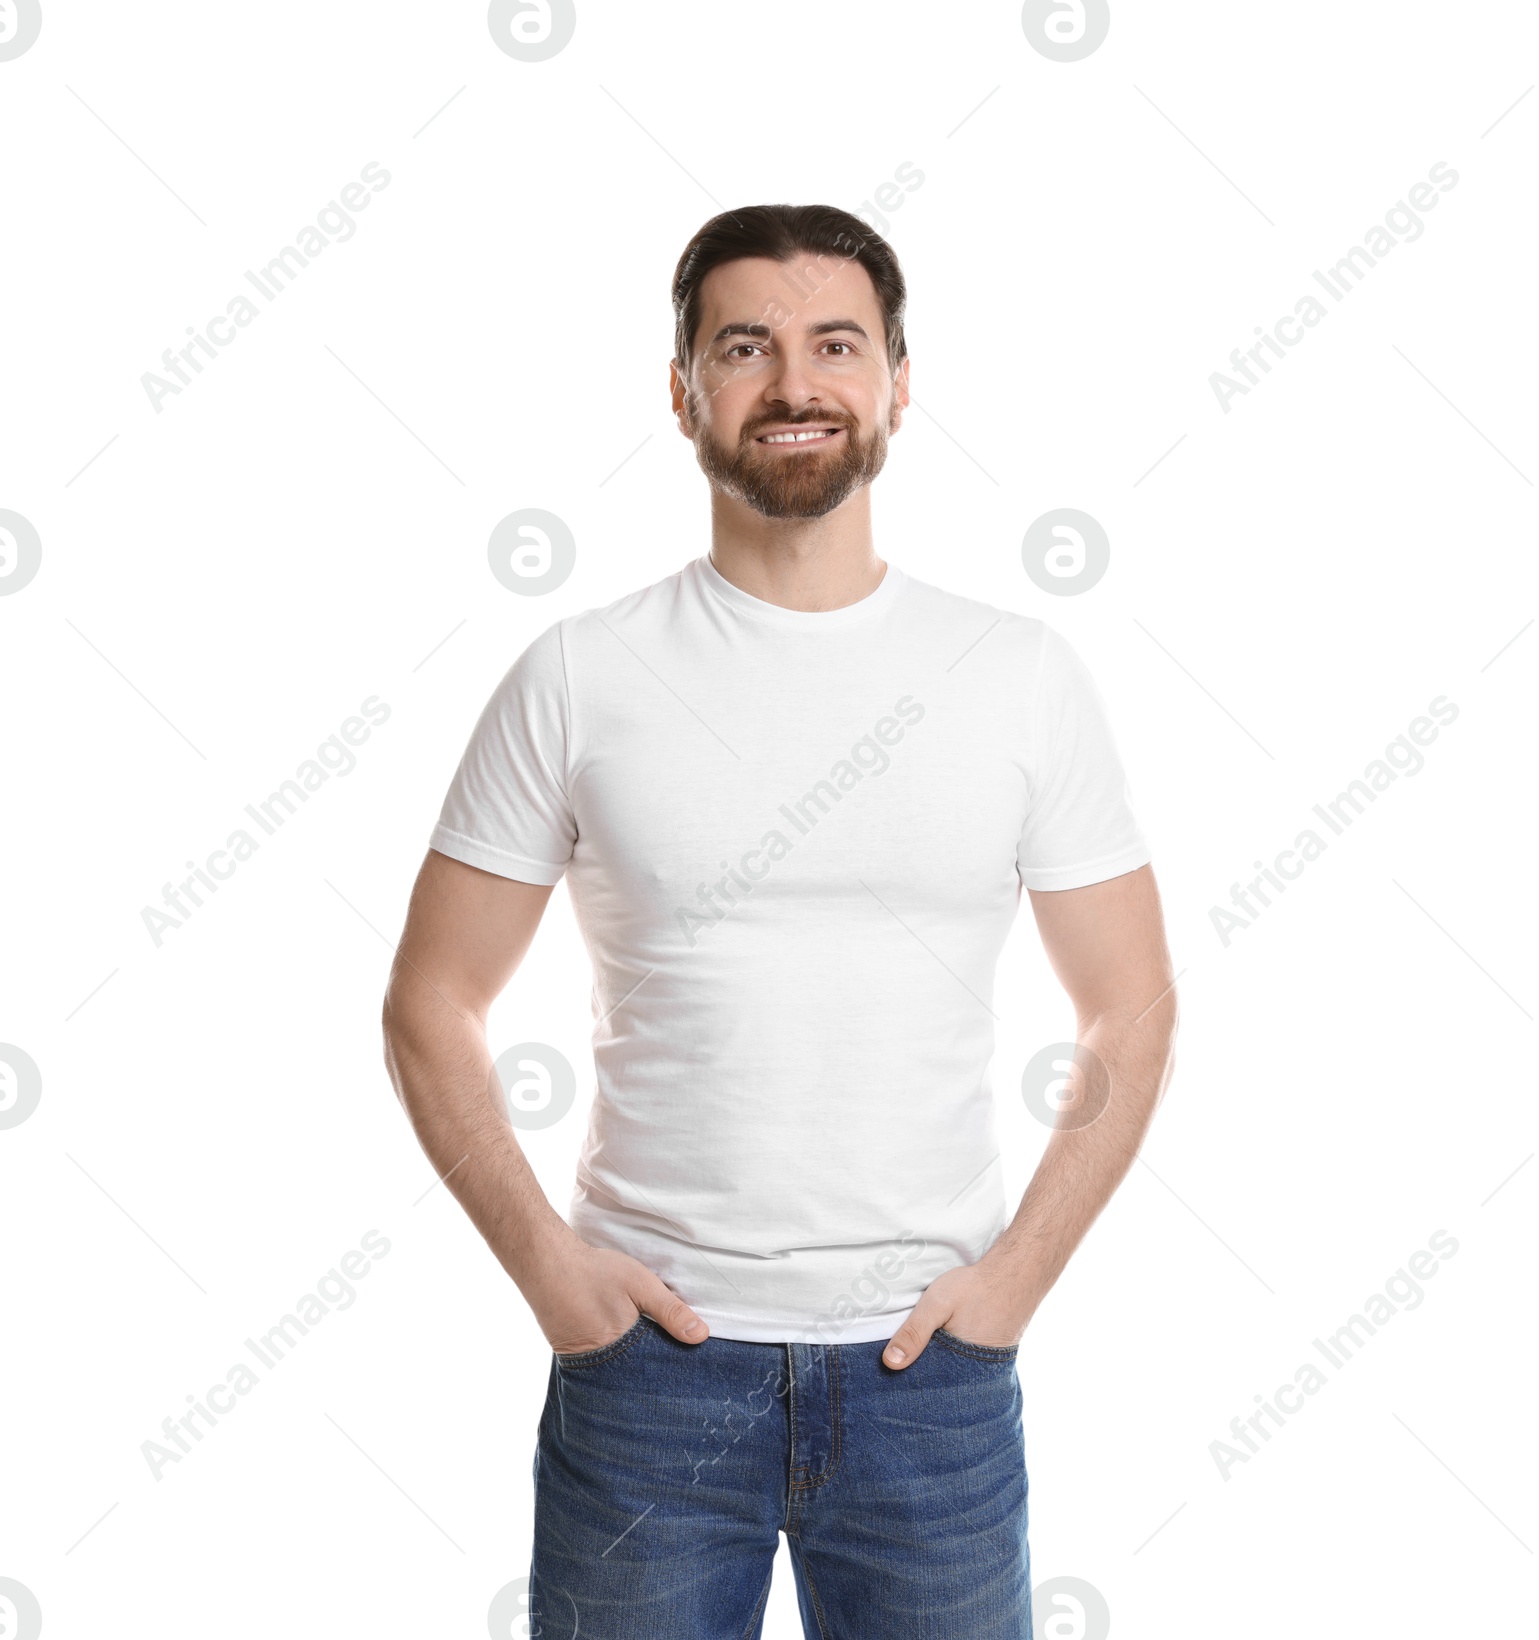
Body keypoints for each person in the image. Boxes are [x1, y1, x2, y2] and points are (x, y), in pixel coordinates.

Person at [382, 203, 1178, 1640]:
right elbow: (430, 1004)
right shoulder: (580, 675)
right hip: (650, 1379)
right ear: (683, 390)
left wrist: (1013, 1284)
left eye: (835, 345)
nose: (792, 383)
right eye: (744, 346)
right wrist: (555, 1276)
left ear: (899, 383)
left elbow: (1132, 1006)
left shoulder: (1018, 675)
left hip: (926, 1382)